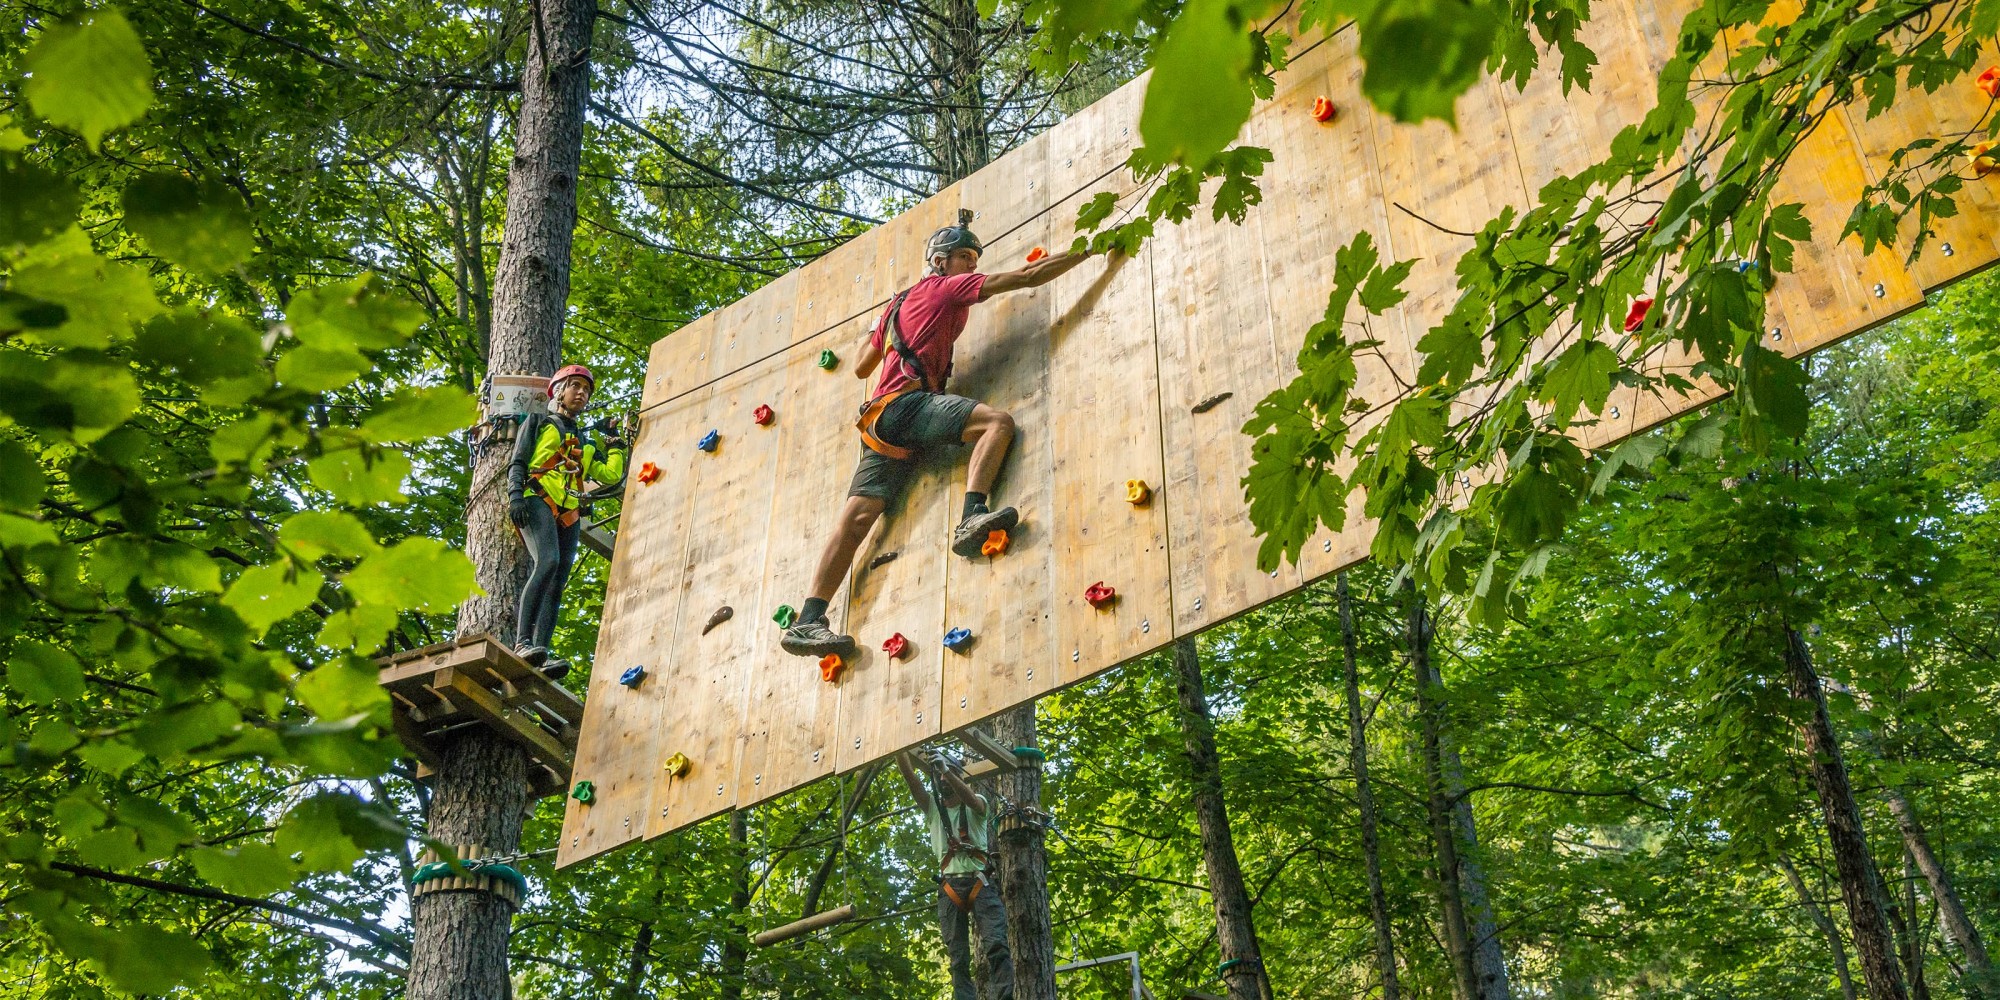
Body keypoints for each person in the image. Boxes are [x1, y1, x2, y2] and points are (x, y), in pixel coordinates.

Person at [780, 216, 1098, 656]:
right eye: (964, 257)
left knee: (856, 520)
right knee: (996, 424)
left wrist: (884, 327)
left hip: (880, 421)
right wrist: (1091, 248)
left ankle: (808, 620)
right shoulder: (946, 288)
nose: (970, 265)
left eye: (973, 259)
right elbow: (1026, 276)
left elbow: (860, 366)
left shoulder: (897, 304)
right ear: (939, 261)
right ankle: (973, 514)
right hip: (909, 406)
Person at [506, 364, 626, 680]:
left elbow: (611, 476)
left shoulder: (584, 442)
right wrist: (515, 495)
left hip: (568, 510)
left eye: (586, 390)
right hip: (536, 496)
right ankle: (522, 642)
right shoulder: (539, 420)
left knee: (557, 581)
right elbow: (518, 459)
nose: (582, 393)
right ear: (559, 391)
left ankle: (541, 652)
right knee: (547, 562)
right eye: (575, 386)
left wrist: (614, 444)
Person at [897, 749, 1013, 1000]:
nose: (943, 782)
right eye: (939, 779)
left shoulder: (978, 804)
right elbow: (910, 778)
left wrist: (946, 770)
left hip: (979, 883)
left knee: (996, 946)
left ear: (959, 777)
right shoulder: (933, 809)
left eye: (948, 778)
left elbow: (971, 800)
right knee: (958, 958)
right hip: (950, 887)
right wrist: (899, 749)